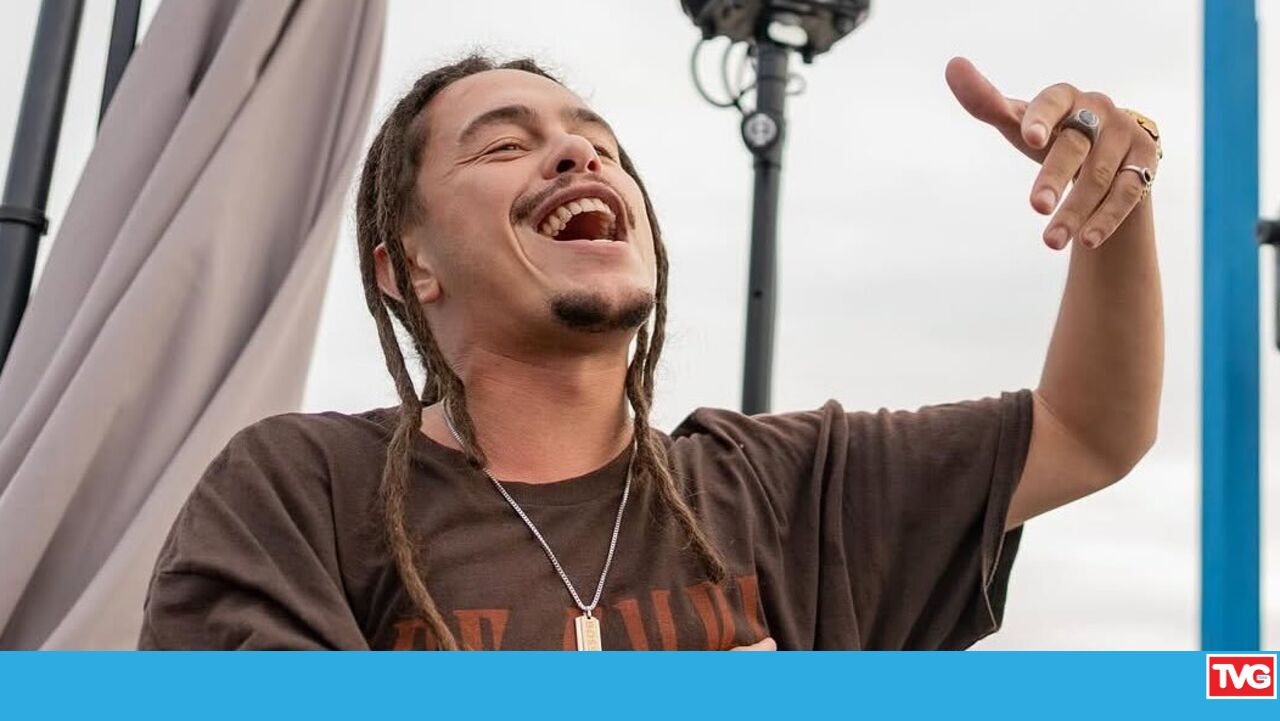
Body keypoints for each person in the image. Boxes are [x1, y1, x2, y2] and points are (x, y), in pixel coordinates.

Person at [138, 53, 1163, 651]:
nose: (577, 152)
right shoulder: (301, 491)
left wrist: (1112, 206)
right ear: (409, 268)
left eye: (597, 141)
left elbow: (1087, 432)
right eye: (504, 144)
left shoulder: (784, 490)